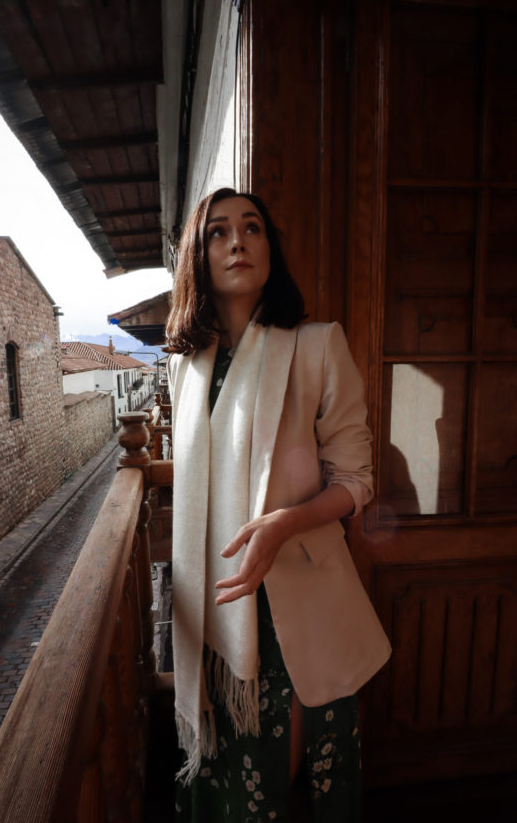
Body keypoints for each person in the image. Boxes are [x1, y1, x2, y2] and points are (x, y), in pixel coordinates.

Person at [165, 188, 391, 822]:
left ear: (270, 248)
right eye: (218, 231)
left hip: (295, 597)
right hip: (218, 599)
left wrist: (284, 523)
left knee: (283, 781)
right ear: (197, 256)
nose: (237, 241)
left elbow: (357, 479)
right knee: (232, 781)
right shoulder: (185, 368)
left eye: (253, 228)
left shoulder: (317, 346)